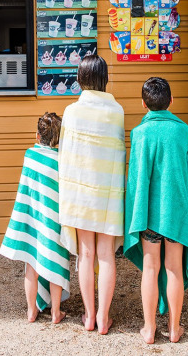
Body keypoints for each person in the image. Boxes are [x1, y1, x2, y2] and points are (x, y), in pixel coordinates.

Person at [123, 77, 188, 344]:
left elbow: (135, 180)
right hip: (176, 212)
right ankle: (174, 329)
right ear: (171, 101)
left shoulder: (139, 133)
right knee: (173, 268)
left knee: (150, 267)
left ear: (143, 104)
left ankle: (149, 330)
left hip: (148, 213)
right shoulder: (182, 130)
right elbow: (187, 175)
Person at [57, 55, 125, 334]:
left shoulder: (72, 111)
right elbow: (118, 153)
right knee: (106, 254)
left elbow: (66, 155)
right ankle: (104, 319)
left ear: (80, 78)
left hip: (81, 193)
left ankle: (88, 315)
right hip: (108, 192)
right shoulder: (116, 111)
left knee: (86, 253)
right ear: (104, 78)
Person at [0, 112, 71, 324]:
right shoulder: (62, 160)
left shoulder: (30, 155)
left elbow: (27, 190)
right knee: (57, 264)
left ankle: (32, 311)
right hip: (54, 221)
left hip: (33, 219)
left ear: (38, 135)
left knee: (31, 264)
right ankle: (56, 313)